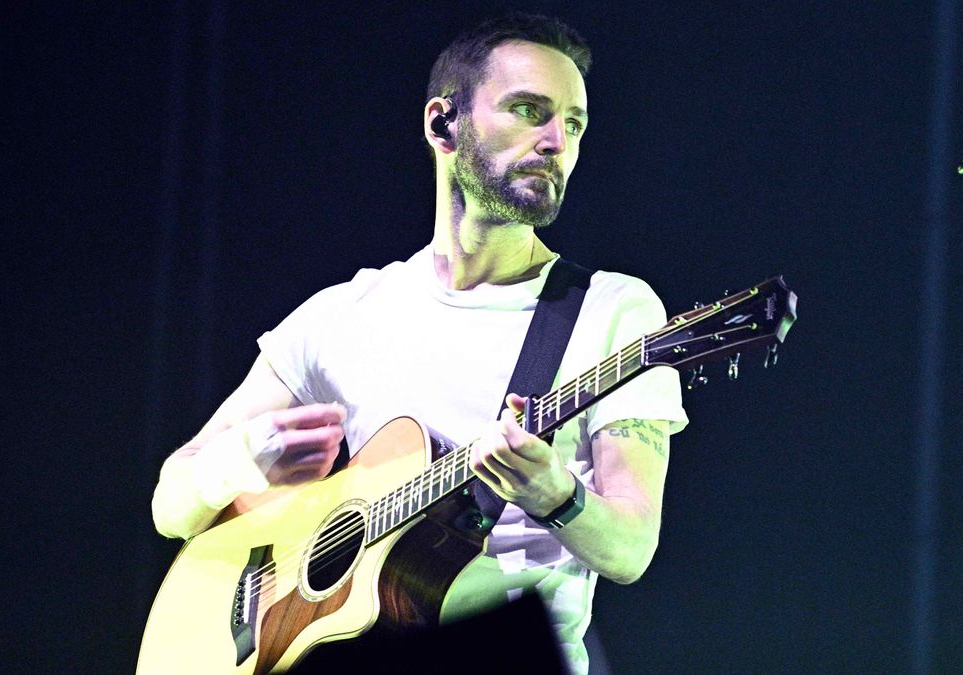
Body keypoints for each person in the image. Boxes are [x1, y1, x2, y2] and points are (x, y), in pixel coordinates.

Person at [150, 13, 687, 674]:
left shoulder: (611, 311)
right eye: (529, 111)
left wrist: (556, 494)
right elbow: (170, 503)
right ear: (443, 123)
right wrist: (240, 461)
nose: (557, 142)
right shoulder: (345, 313)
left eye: (573, 124)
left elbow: (631, 547)